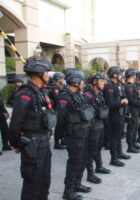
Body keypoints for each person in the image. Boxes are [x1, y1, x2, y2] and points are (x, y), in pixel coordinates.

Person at [8, 56, 55, 200]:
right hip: (32, 146)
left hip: (44, 143)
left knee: (44, 182)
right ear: (39, 73)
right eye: (46, 71)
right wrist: (16, 144)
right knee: (32, 185)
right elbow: (15, 124)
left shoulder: (41, 92)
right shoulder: (25, 94)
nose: (48, 74)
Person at [57, 69, 93, 200]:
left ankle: (77, 183)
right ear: (75, 82)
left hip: (83, 132)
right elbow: (60, 119)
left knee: (82, 159)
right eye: (82, 81)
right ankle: (68, 191)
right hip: (73, 135)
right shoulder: (64, 96)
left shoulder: (78, 94)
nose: (83, 83)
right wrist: (63, 137)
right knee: (74, 162)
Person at [84, 73, 111, 184]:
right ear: (94, 82)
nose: (103, 83)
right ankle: (90, 174)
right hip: (93, 126)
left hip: (100, 124)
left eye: (103, 81)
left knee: (98, 147)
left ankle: (99, 166)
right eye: (101, 81)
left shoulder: (100, 94)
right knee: (91, 150)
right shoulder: (88, 95)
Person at [104, 66, 130, 167]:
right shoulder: (109, 86)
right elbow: (111, 103)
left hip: (120, 114)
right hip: (113, 116)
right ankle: (113, 158)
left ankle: (119, 153)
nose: (121, 76)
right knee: (114, 138)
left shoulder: (118, 85)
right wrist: (122, 101)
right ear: (115, 75)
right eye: (119, 74)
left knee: (119, 136)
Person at [124, 69, 140, 154]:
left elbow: (136, 96)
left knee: (135, 127)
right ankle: (130, 146)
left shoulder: (133, 85)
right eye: (134, 75)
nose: (136, 76)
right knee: (131, 128)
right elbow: (131, 100)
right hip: (132, 110)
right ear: (132, 76)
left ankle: (134, 143)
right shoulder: (128, 86)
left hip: (136, 109)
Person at [49, 72, 66, 150]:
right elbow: (57, 98)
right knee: (58, 126)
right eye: (62, 78)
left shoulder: (61, 86)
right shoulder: (54, 88)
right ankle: (56, 143)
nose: (63, 80)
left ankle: (62, 140)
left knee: (62, 125)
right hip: (56, 109)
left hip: (61, 109)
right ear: (58, 79)